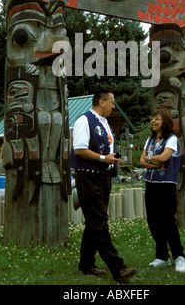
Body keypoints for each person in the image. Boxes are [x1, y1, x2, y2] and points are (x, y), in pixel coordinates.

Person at [70, 88, 137, 281]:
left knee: (94, 221)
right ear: (101, 102)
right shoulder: (84, 120)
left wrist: (112, 158)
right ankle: (118, 268)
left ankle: (86, 264)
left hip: (103, 177)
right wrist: (102, 158)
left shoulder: (105, 123)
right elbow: (80, 149)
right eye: (112, 102)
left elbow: (104, 148)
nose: (113, 106)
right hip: (88, 177)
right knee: (99, 222)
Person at [140, 109, 185, 273]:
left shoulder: (172, 139)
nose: (153, 121)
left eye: (157, 119)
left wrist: (150, 159)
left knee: (167, 221)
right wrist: (154, 162)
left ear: (165, 122)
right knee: (153, 221)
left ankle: (179, 256)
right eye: (152, 118)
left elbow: (164, 157)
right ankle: (162, 256)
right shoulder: (150, 140)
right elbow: (141, 160)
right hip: (151, 183)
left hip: (166, 184)